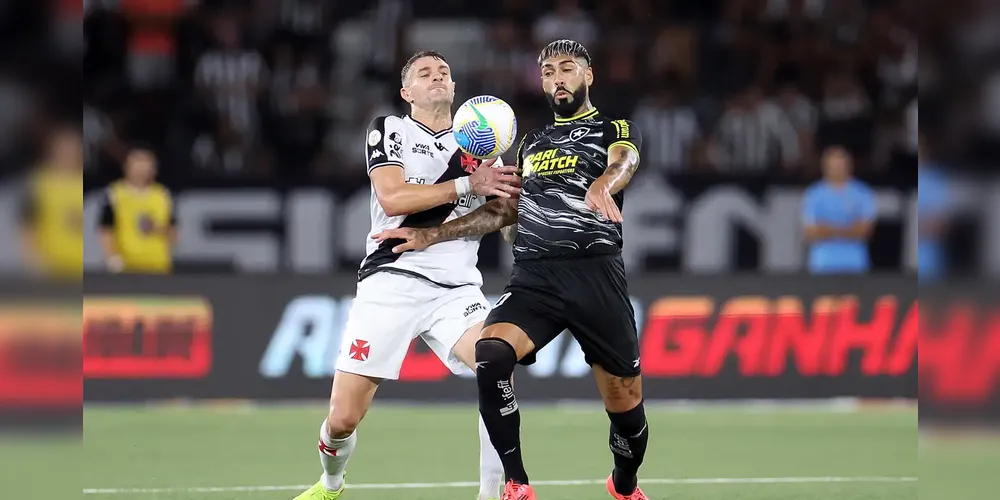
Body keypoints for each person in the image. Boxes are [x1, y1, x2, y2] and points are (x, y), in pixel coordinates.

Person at [374, 40, 649, 500]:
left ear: (588, 76)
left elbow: (627, 161)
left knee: (626, 409)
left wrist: (606, 181)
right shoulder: (530, 143)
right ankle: (516, 483)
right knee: (491, 352)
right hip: (535, 277)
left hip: (595, 275)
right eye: (548, 72)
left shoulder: (614, 127)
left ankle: (624, 483)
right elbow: (503, 213)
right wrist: (430, 235)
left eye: (567, 69)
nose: (557, 79)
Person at [293, 50, 520, 500]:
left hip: (456, 289)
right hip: (391, 280)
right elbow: (393, 198)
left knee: (497, 365)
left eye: (444, 73)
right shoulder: (389, 129)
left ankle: (492, 494)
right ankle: (331, 483)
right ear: (406, 92)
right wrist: (465, 185)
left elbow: (503, 219)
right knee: (342, 420)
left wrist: (512, 208)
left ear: (455, 89)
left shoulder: (482, 146)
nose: (437, 77)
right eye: (424, 73)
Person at [19, 125, 84, 280]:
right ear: (52, 150)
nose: (69, 153)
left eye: (73, 149)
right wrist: (35, 262)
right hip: (52, 269)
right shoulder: (40, 183)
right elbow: (28, 226)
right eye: (64, 148)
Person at [98, 147, 176, 274]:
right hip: (127, 266)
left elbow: (174, 233)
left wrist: (158, 228)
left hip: (158, 265)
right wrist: (112, 256)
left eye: (146, 163)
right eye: (137, 163)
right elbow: (106, 229)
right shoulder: (114, 194)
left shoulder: (163, 195)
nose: (141, 169)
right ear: (126, 166)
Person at [802, 146, 877, 274]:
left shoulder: (863, 193)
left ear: (849, 166)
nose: (837, 170)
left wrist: (828, 229)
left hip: (855, 264)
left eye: (841, 165)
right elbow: (810, 233)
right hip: (822, 265)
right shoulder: (813, 194)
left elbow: (865, 231)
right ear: (824, 167)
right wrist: (849, 228)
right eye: (833, 166)